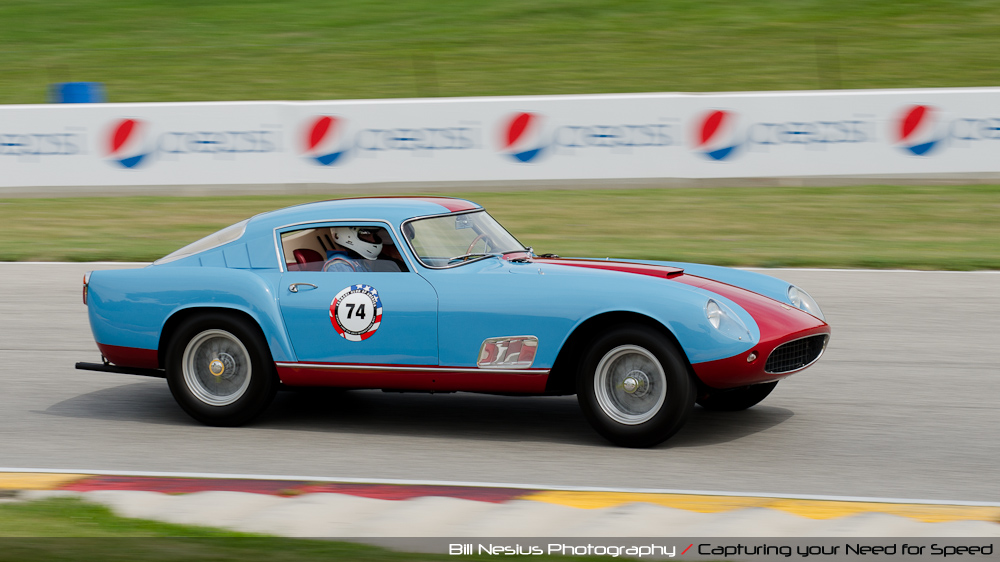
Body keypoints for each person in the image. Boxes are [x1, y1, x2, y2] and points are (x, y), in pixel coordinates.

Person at [322, 227, 401, 272]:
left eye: (373, 235)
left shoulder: (358, 261)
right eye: (366, 235)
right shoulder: (339, 265)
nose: (373, 240)